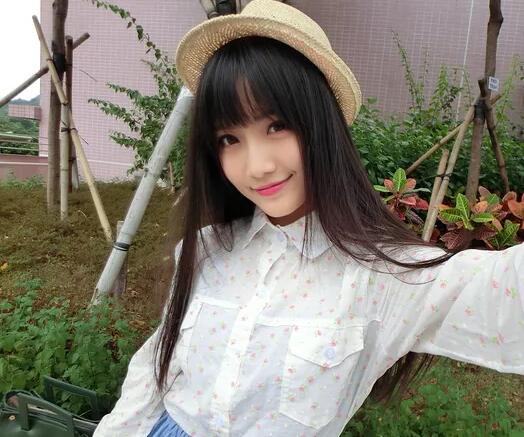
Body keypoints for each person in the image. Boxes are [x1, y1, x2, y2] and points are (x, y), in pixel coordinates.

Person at [93, 1, 524, 436]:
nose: (257, 166)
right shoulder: (208, 247)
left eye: (276, 126)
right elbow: (157, 365)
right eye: (229, 138)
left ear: (321, 124)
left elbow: (508, 293)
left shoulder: (383, 275)